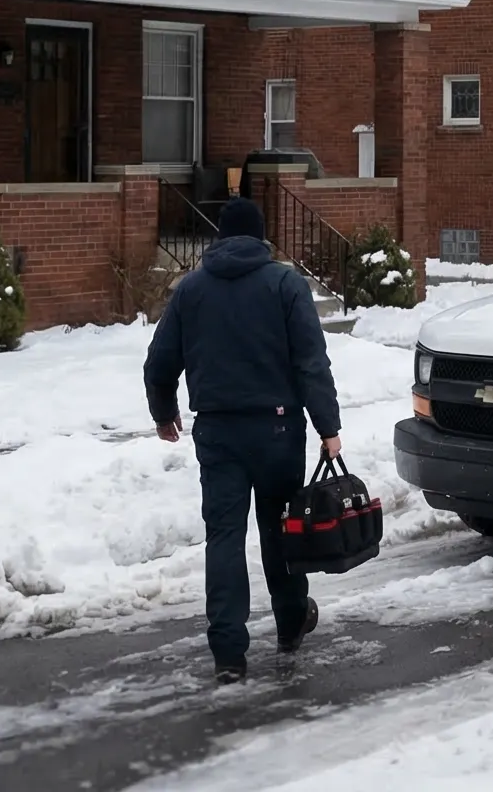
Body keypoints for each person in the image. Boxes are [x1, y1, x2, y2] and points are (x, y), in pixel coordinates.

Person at [145, 196, 342, 683]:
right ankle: (292, 621)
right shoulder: (284, 284)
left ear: (219, 238)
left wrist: (164, 412)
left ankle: (229, 652)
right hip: (277, 430)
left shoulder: (191, 289)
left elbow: (159, 361)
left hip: (218, 432)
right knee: (280, 529)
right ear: (260, 236)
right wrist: (328, 426)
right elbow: (310, 361)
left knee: (225, 538)